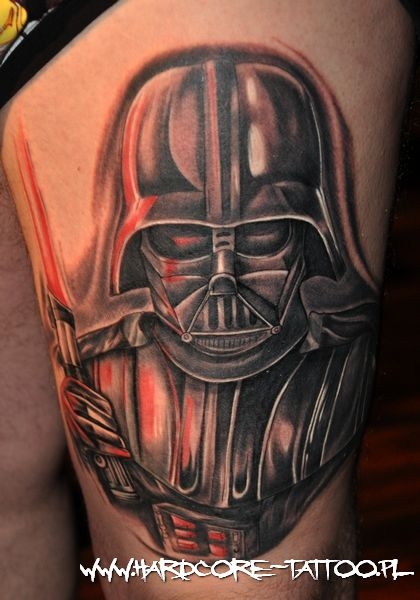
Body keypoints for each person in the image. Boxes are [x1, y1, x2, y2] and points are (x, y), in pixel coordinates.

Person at [0, 1, 416, 598]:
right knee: (8, 475)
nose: (223, 285)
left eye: (264, 236)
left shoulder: (333, 358)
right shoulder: (105, 356)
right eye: (183, 241)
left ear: (311, 240)